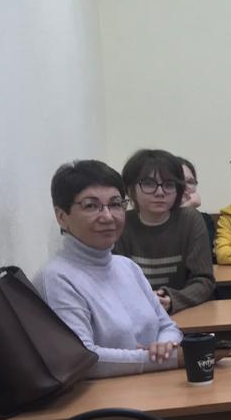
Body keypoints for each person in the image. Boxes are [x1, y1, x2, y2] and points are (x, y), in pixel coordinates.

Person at [35, 160, 182, 377]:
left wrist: (165, 345)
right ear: (61, 217)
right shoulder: (55, 278)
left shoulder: (127, 266)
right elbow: (82, 358)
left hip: (155, 385)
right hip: (105, 396)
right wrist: (167, 359)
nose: (107, 216)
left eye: (115, 204)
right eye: (91, 206)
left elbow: (167, 327)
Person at [114, 148, 215, 313]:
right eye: (148, 184)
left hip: (184, 312)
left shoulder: (190, 219)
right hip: (134, 313)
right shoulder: (121, 223)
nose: (160, 192)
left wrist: (171, 299)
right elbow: (115, 282)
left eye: (169, 185)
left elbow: (204, 280)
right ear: (131, 189)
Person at [176, 155, 216, 250]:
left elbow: (199, 250)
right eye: (178, 181)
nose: (184, 186)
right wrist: (188, 206)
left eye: (190, 182)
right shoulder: (153, 218)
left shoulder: (204, 219)